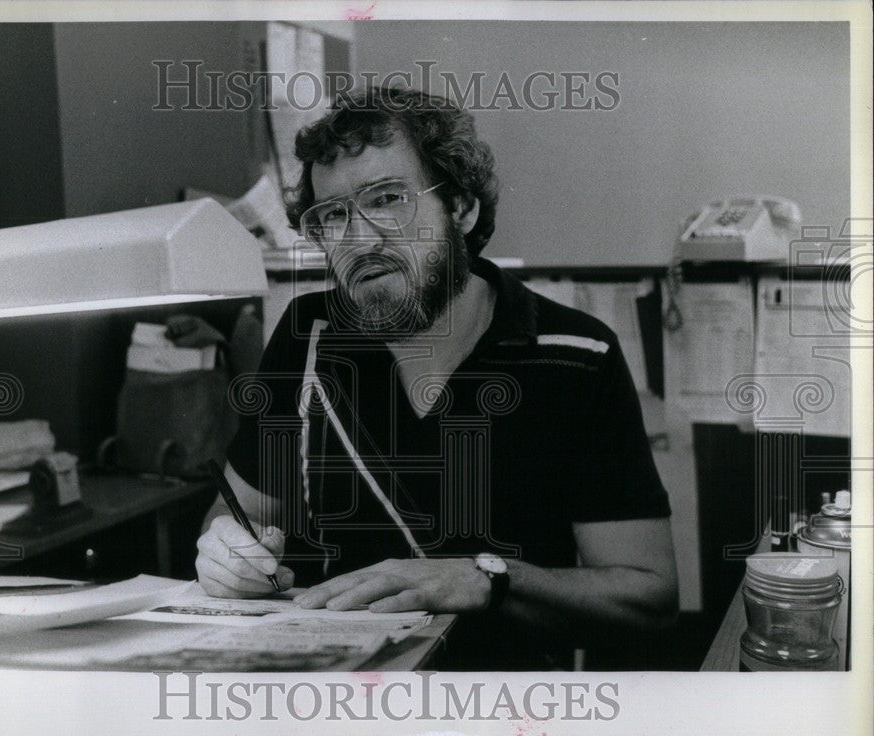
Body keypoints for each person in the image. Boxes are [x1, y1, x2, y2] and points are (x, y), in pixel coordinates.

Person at [195, 86, 678, 669]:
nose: (360, 239)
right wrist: (227, 552)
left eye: (389, 199)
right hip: (332, 700)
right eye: (332, 216)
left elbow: (650, 597)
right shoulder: (307, 334)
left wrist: (485, 579)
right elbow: (238, 516)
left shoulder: (575, 355)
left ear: (461, 208)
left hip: (502, 714)